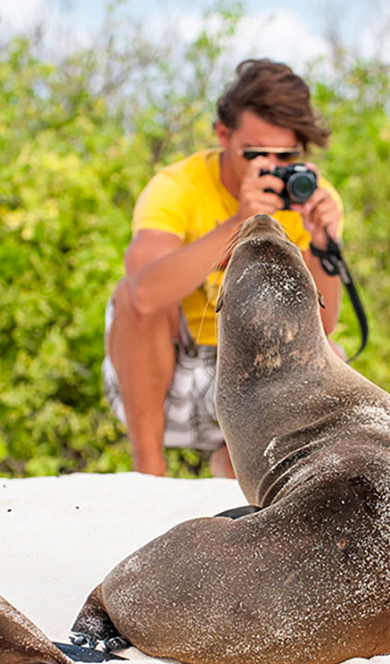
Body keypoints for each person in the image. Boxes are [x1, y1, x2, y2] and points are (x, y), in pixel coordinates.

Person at [103, 59, 345, 478]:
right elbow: (142, 293)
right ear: (223, 134)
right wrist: (239, 223)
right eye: (255, 153)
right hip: (170, 369)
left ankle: (234, 466)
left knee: (334, 360)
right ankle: (148, 471)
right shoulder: (177, 187)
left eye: (285, 155)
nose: (269, 166)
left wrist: (324, 246)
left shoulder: (311, 199)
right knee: (131, 292)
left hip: (255, 371)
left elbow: (320, 327)